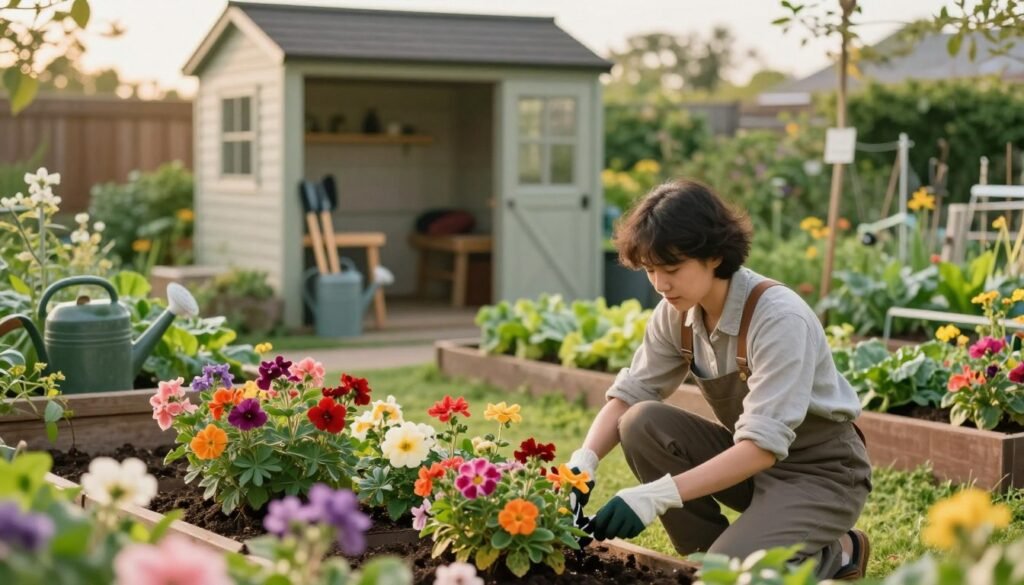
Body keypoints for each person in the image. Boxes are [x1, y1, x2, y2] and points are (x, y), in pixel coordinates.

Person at [565, 179, 872, 580]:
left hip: (820, 474)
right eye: (651, 270)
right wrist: (583, 461)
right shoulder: (675, 312)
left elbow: (762, 447)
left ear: (713, 255)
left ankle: (841, 551)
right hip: (751, 465)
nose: (660, 285)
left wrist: (655, 496)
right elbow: (630, 394)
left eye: (672, 269)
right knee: (641, 423)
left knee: (734, 574)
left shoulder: (778, 318)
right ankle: (712, 557)